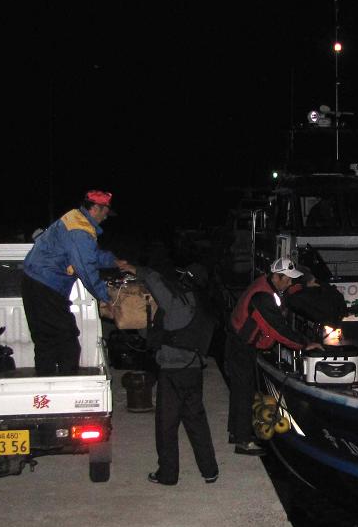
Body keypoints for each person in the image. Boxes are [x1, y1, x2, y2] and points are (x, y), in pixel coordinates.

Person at [22, 190, 134, 375]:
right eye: (106, 212)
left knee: (46, 339)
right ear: (96, 208)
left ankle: (46, 381)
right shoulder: (79, 231)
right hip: (45, 286)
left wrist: (113, 261)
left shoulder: (75, 218)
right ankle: (68, 382)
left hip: (35, 281)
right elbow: (86, 270)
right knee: (66, 338)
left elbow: (89, 254)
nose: (106, 217)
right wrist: (106, 298)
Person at [224, 257, 323, 455]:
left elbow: (287, 292)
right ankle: (243, 442)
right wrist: (305, 344)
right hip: (240, 347)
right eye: (288, 279)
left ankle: (236, 432)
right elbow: (279, 329)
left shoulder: (268, 284)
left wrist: (305, 284)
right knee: (244, 392)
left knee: (240, 390)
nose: (290, 283)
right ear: (276, 277)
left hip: (240, 343)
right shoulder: (262, 297)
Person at [139, 263, 219, 485]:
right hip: (194, 370)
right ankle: (210, 471)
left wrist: (139, 270)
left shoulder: (180, 303)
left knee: (166, 425)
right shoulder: (202, 302)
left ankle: (168, 474)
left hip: (173, 371)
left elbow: (157, 285)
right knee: (197, 422)